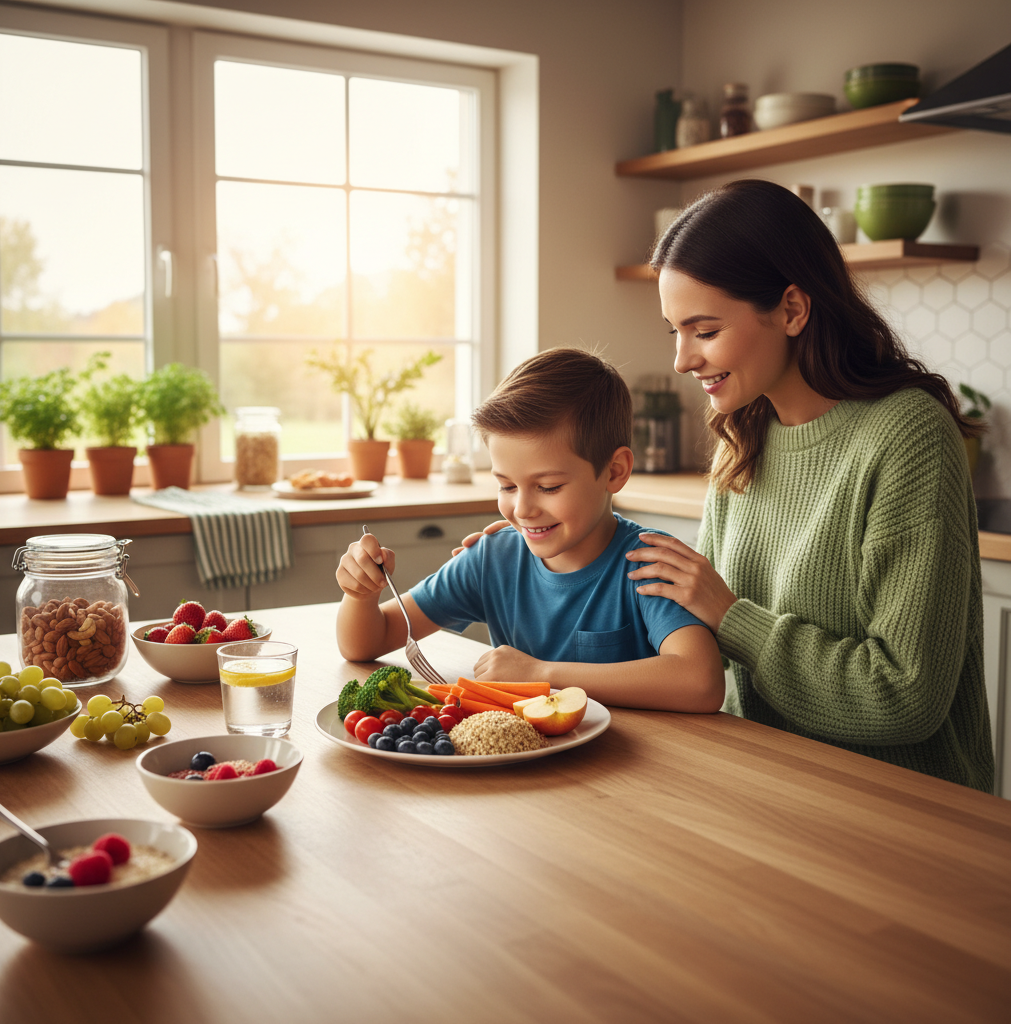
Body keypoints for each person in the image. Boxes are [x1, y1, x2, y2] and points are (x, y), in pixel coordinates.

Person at [459, 180, 993, 793]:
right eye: (674, 332)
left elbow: (903, 698)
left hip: (900, 805)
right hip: (762, 778)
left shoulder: (906, 436)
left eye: (705, 331)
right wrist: (541, 555)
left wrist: (732, 616)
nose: (684, 359)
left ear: (793, 310)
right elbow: (688, 641)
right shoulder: (742, 435)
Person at [335, 348, 725, 712]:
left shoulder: (650, 563)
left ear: (615, 471)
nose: (522, 510)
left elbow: (701, 682)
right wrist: (360, 594)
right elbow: (365, 642)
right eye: (506, 486)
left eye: (549, 487)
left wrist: (542, 674)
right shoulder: (493, 559)